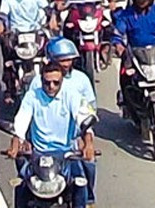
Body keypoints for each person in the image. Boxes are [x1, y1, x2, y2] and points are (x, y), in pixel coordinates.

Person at [7, 62, 95, 208]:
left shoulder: (72, 95)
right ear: (41, 80)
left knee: (80, 182)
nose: (51, 86)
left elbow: (84, 120)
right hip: (37, 154)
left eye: (56, 82)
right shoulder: (32, 96)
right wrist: (15, 144)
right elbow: (21, 120)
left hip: (66, 154)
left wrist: (89, 144)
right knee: (22, 184)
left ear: (62, 81)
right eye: (47, 83)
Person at [0, 0, 49, 80]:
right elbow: (3, 13)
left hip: (35, 30)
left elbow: (46, 7)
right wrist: (0, 23)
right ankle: (9, 90)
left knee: (47, 51)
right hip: (16, 32)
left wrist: (52, 18)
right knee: (8, 57)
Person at [27, 37, 96, 110]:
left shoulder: (81, 79)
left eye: (69, 60)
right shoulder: (37, 82)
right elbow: (29, 106)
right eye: (62, 60)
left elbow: (91, 105)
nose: (66, 64)